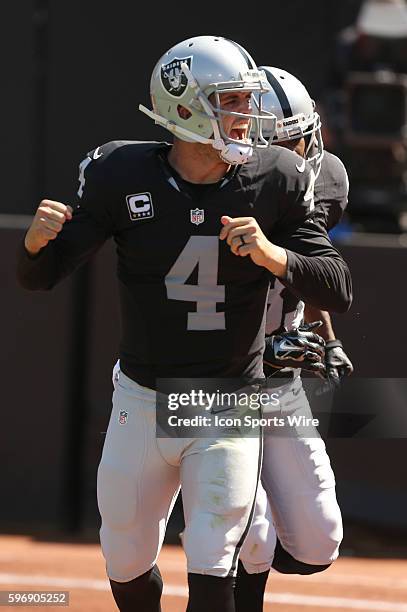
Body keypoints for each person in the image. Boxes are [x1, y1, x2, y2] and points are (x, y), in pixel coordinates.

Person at [17, 36, 352, 612]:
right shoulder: (122, 174)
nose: (250, 120)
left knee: (219, 550)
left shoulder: (280, 178)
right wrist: (34, 248)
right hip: (146, 395)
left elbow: (334, 283)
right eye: (234, 103)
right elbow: (40, 276)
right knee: (124, 556)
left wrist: (276, 258)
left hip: (232, 394)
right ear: (186, 108)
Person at [234, 66, 353, 612]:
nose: (303, 151)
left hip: (278, 374)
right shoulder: (220, 188)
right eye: (284, 143)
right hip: (212, 370)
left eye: (304, 136)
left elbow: (311, 265)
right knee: (251, 535)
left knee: (317, 542)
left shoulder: (326, 176)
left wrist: (319, 334)